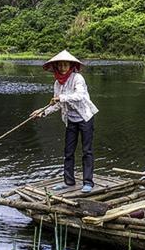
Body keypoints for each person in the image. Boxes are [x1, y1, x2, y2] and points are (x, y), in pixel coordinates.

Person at [33, 50, 99, 192]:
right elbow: (57, 104)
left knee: (87, 151)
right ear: (56, 67)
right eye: (60, 65)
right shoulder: (57, 83)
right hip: (70, 120)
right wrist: (42, 112)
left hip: (85, 118)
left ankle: (88, 182)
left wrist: (61, 98)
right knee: (68, 151)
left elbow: (79, 95)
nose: (63, 68)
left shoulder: (78, 78)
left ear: (70, 66)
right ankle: (69, 182)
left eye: (65, 65)